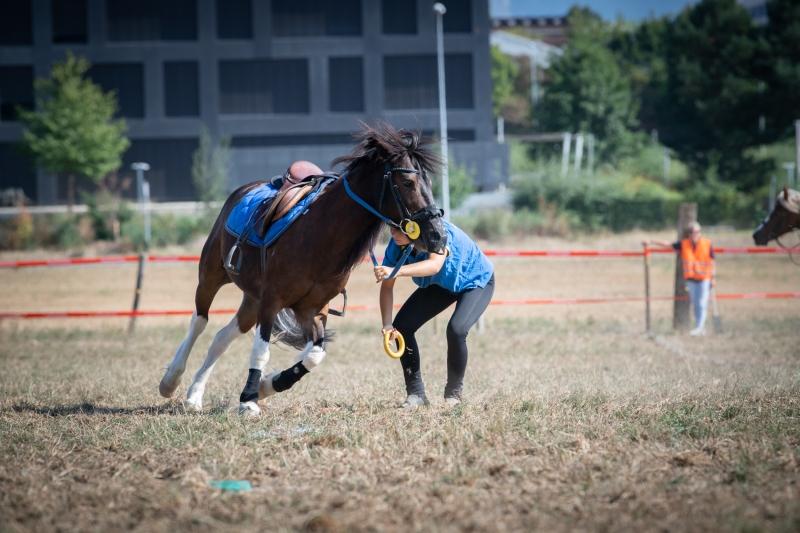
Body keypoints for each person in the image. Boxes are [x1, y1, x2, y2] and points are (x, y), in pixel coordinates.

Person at [374, 221, 495, 408]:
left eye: (398, 228)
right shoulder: (396, 246)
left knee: (456, 330)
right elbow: (387, 286)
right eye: (390, 227)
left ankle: (453, 396)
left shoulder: (435, 232)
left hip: (475, 280)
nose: (393, 232)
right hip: (443, 284)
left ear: (413, 227)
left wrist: (395, 271)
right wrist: (387, 324)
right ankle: (416, 395)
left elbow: (434, 265)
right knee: (402, 327)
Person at [645, 221, 715, 336]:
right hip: (691, 279)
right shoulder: (684, 244)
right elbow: (667, 244)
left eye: (698, 231)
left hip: (704, 278)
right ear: (689, 233)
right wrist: (652, 241)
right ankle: (700, 327)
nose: (696, 234)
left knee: (702, 303)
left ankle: (700, 327)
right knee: (696, 304)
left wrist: (713, 277)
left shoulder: (707, 243)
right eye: (694, 232)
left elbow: (712, 261)